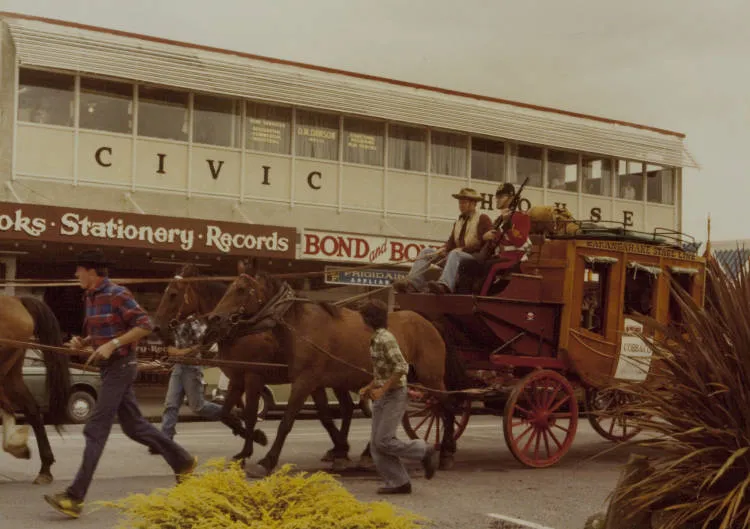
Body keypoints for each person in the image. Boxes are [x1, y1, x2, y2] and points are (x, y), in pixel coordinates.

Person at [44, 250, 197, 519]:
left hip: (121, 367)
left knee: (95, 428)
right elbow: (102, 332)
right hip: (109, 369)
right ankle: (183, 460)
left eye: (79, 270)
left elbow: (145, 325)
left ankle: (74, 497)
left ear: (92, 272)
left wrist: (113, 345)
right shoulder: (90, 297)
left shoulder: (117, 294)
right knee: (134, 426)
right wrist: (85, 342)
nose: (76, 275)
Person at [150, 314, 267, 454]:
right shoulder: (175, 322)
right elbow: (171, 348)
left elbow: (200, 345)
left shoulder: (195, 323)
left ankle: (230, 413)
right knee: (170, 405)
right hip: (178, 367)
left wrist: (181, 352)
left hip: (191, 369)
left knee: (198, 407)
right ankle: (165, 441)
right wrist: (180, 352)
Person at [358, 300, 437, 494]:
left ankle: (423, 450)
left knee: (384, 441)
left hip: (394, 395)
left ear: (369, 319)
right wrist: (369, 387)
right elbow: (382, 372)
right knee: (377, 445)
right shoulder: (376, 338)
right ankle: (399, 482)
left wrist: (382, 390)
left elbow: (402, 367)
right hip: (384, 395)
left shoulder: (386, 339)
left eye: (362, 318)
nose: (361, 322)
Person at [392, 187, 492, 295]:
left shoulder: (483, 218)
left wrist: (464, 249)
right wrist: (443, 249)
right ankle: (413, 284)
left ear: (473, 203)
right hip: (456, 256)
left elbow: (486, 243)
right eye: (460, 203)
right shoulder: (459, 222)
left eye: (464, 202)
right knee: (427, 252)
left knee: (455, 253)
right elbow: (451, 243)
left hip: (473, 259)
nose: (461, 205)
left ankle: (445, 285)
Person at [483, 183, 533, 268]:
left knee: (486, 266)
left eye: (501, 197)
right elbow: (495, 243)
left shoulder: (522, 217)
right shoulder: (498, 220)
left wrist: (507, 224)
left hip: (515, 258)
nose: (498, 199)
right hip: (500, 256)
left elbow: (519, 241)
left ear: (511, 199)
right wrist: (485, 237)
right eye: (497, 197)